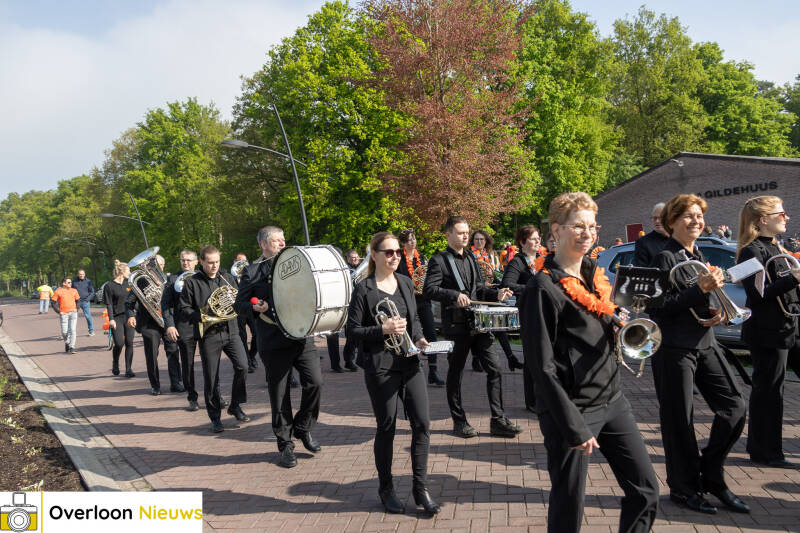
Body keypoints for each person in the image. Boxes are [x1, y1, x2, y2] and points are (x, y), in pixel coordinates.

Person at [520, 192, 659, 533]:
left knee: (646, 491)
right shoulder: (541, 288)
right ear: (555, 230)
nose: (588, 233)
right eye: (578, 226)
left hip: (613, 400)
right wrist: (573, 426)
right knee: (569, 506)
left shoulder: (593, 272)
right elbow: (542, 367)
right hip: (572, 410)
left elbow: (598, 317)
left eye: (592, 226)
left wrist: (615, 320)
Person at [647, 193, 748, 514]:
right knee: (679, 421)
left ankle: (711, 474)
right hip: (674, 348)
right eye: (688, 216)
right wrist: (699, 290)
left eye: (699, 216)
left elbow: (696, 302)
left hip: (704, 341)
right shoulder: (663, 257)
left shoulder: (698, 252)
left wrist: (715, 309)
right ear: (673, 221)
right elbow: (659, 308)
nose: (696, 221)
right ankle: (684, 488)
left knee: (734, 407)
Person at [347, 231, 440, 515]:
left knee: (422, 424)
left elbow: (413, 323)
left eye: (398, 252)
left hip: (410, 364)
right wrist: (382, 329)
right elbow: (351, 331)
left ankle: (420, 487)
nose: (395, 256)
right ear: (373, 255)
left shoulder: (405, 282)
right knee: (386, 427)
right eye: (388, 252)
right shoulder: (364, 289)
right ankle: (386, 488)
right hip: (381, 367)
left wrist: (420, 339)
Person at [423, 215, 520, 438]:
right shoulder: (439, 260)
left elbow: (477, 289)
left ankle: (498, 420)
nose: (465, 235)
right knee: (455, 374)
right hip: (457, 326)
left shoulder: (471, 259)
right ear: (448, 234)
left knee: (494, 369)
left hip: (479, 325)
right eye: (460, 232)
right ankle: (459, 421)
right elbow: (429, 290)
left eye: (467, 232)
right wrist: (453, 295)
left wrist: (496, 293)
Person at [234, 226, 323, 467]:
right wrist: (255, 307)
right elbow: (239, 304)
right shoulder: (252, 272)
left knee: (315, 382)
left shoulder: (298, 264)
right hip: (272, 340)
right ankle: (285, 445)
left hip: (301, 337)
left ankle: (303, 428)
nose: (283, 244)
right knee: (280, 394)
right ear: (263, 244)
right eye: (276, 241)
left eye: (284, 240)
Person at [736, 196, 800, 469]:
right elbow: (757, 293)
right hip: (768, 331)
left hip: (790, 326)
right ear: (763, 220)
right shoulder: (750, 251)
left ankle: (765, 448)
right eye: (780, 214)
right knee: (769, 392)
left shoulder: (777, 247)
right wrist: (793, 278)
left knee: (771, 390)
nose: (785, 218)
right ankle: (765, 451)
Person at [180, 245, 249, 433]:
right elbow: (185, 309)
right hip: (209, 334)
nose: (214, 266)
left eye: (217, 262)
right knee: (211, 377)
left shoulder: (227, 278)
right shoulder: (192, 283)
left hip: (231, 330)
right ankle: (215, 417)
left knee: (243, 366)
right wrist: (202, 316)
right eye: (210, 263)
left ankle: (235, 404)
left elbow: (238, 299)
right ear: (201, 261)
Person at [500, 225, 544, 412]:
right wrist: (531, 289)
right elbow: (507, 283)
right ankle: (532, 401)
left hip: (544, 312)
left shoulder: (543, 259)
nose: (537, 241)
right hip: (529, 312)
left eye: (538, 238)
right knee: (532, 357)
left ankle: (544, 397)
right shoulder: (518, 262)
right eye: (533, 239)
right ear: (522, 242)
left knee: (544, 356)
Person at [126, 254, 183, 396]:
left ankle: (176, 383)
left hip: (168, 322)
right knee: (151, 354)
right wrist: (131, 315)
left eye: (156, 265)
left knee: (173, 351)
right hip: (149, 324)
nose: (153, 268)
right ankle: (155, 385)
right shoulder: (141, 281)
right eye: (150, 265)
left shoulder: (170, 281)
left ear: (162, 266)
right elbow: (129, 303)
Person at [469, 229, 521, 373]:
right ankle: (476, 359)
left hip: (490, 293)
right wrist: (481, 284)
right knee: (479, 328)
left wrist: (498, 284)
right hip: (477, 295)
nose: (479, 242)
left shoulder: (489, 256)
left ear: (486, 241)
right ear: (472, 241)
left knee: (498, 325)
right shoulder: (470, 256)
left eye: (482, 239)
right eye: (477, 239)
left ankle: (511, 358)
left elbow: (494, 273)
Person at [397, 228, 444, 386]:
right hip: (407, 301)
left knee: (431, 333)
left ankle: (433, 370)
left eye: (414, 239)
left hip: (423, 301)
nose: (413, 242)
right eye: (410, 240)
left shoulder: (421, 258)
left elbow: (426, 276)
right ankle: (409, 369)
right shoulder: (399, 259)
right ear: (404, 243)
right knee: (409, 336)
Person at [163, 249, 206, 411]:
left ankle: (215, 395)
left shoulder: (203, 276)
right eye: (182, 260)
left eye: (188, 260)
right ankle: (192, 397)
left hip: (203, 324)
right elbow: (165, 304)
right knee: (187, 365)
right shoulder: (172, 279)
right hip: (183, 327)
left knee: (210, 363)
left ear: (196, 261)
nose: (185, 263)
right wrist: (170, 325)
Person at [327, 248, 360, 373]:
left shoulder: (351, 269)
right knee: (332, 336)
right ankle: (335, 364)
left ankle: (349, 360)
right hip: (334, 304)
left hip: (350, 304)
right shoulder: (329, 269)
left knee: (353, 333)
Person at [105, 260, 136, 377]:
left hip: (129, 317)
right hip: (117, 317)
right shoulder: (109, 286)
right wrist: (111, 319)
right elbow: (108, 304)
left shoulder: (130, 284)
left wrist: (134, 315)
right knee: (119, 343)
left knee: (129, 342)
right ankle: (115, 362)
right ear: (122, 271)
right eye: (128, 270)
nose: (130, 272)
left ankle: (129, 369)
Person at [232, 252, 259, 373]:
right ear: (234, 262)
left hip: (250, 308)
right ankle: (248, 361)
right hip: (239, 310)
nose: (241, 263)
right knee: (242, 336)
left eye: (244, 261)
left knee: (257, 334)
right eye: (239, 261)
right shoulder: (230, 276)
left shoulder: (251, 274)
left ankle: (251, 355)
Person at [633, 202, 669, 267]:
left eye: (661, 217)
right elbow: (640, 271)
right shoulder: (642, 242)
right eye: (655, 218)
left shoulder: (679, 239)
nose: (657, 221)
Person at [51, 277, 81, 353]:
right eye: (68, 282)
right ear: (63, 283)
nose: (70, 284)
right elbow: (53, 303)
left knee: (73, 330)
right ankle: (67, 342)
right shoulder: (58, 291)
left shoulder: (74, 291)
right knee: (64, 332)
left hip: (73, 313)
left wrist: (76, 309)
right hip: (64, 314)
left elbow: (78, 301)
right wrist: (58, 311)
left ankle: (72, 347)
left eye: (71, 282)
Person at [72, 269, 96, 337]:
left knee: (88, 316)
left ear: (84, 274)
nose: (81, 275)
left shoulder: (88, 281)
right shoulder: (74, 282)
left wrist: (87, 299)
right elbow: (71, 291)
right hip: (76, 302)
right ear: (78, 274)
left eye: (82, 274)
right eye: (80, 274)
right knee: (72, 317)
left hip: (85, 301)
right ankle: (70, 332)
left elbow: (92, 292)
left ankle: (91, 331)